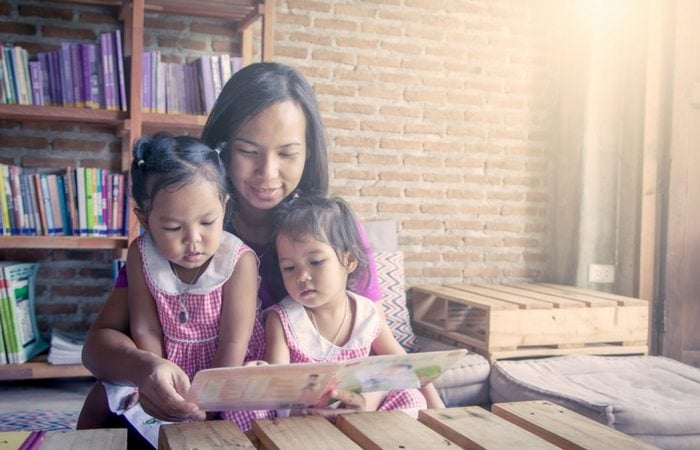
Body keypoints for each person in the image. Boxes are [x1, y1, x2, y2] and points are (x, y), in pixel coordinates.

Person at [79, 62, 428, 437]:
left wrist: (376, 401)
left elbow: (382, 350)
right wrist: (143, 367)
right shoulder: (182, 236)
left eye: (288, 154)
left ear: (309, 153)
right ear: (221, 150)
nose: (268, 173)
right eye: (248, 151)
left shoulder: (330, 233)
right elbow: (98, 347)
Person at [265, 195, 443, 415]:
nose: (302, 276)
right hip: (301, 416)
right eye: (289, 268)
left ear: (349, 261)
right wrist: (299, 413)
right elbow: (275, 388)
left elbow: (404, 363)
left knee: (411, 397)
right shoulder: (283, 319)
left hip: (357, 410)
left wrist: (438, 409)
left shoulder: (366, 313)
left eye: (315, 262)